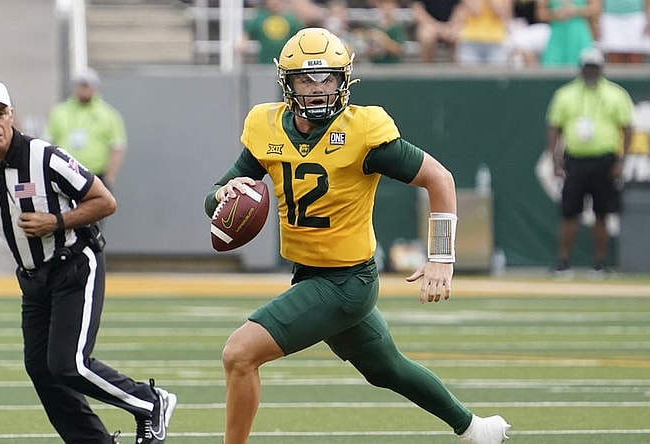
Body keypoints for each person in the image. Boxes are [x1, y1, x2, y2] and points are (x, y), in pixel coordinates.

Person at [204, 27, 511, 444]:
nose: (317, 90)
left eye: (327, 78)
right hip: (311, 274)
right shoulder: (265, 126)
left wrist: (442, 256)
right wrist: (224, 193)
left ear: (343, 80)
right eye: (306, 80)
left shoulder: (364, 131)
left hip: (346, 281)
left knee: (239, 354)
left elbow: (440, 178)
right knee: (387, 368)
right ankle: (476, 429)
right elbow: (216, 200)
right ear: (287, 83)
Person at [0, 80, 177, 444]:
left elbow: (105, 201)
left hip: (75, 264)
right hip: (33, 278)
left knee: (69, 364)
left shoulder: (45, 158)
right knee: (41, 369)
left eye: (0, 113)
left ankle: (149, 401)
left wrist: (56, 221)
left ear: (11, 114)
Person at [545, 48, 633, 278]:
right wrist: (555, 159)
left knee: (601, 213)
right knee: (569, 212)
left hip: (605, 159)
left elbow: (627, 128)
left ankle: (599, 263)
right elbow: (554, 127)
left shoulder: (616, 94)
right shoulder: (566, 94)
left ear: (602, 69)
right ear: (581, 69)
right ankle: (563, 262)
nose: (591, 72)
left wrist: (622, 159)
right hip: (575, 159)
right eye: (588, 67)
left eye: (595, 67)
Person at [44, 68, 127, 189]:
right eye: (81, 85)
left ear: (95, 88)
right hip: (64, 174)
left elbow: (117, 147)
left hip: (96, 175)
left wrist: (109, 177)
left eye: (87, 85)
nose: (84, 89)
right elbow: (47, 141)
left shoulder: (108, 114)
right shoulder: (59, 112)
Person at [536, 0, 602, 66]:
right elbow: (541, 14)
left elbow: (595, 9)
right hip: (557, 37)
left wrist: (575, 10)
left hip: (580, 36)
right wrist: (555, 14)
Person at [238, 0, 305, 64]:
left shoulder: (291, 19)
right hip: (265, 61)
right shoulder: (260, 18)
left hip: (285, 61)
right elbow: (248, 33)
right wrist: (242, 44)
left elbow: (299, 36)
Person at [455, 0, 513, 65]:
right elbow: (476, 11)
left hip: (496, 42)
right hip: (471, 41)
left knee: (496, 74)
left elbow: (500, 13)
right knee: (469, 74)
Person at [508, 0, 551, 67]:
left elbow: (541, 16)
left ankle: (535, 72)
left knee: (521, 41)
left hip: (540, 29)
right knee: (514, 42)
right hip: (520, 30)